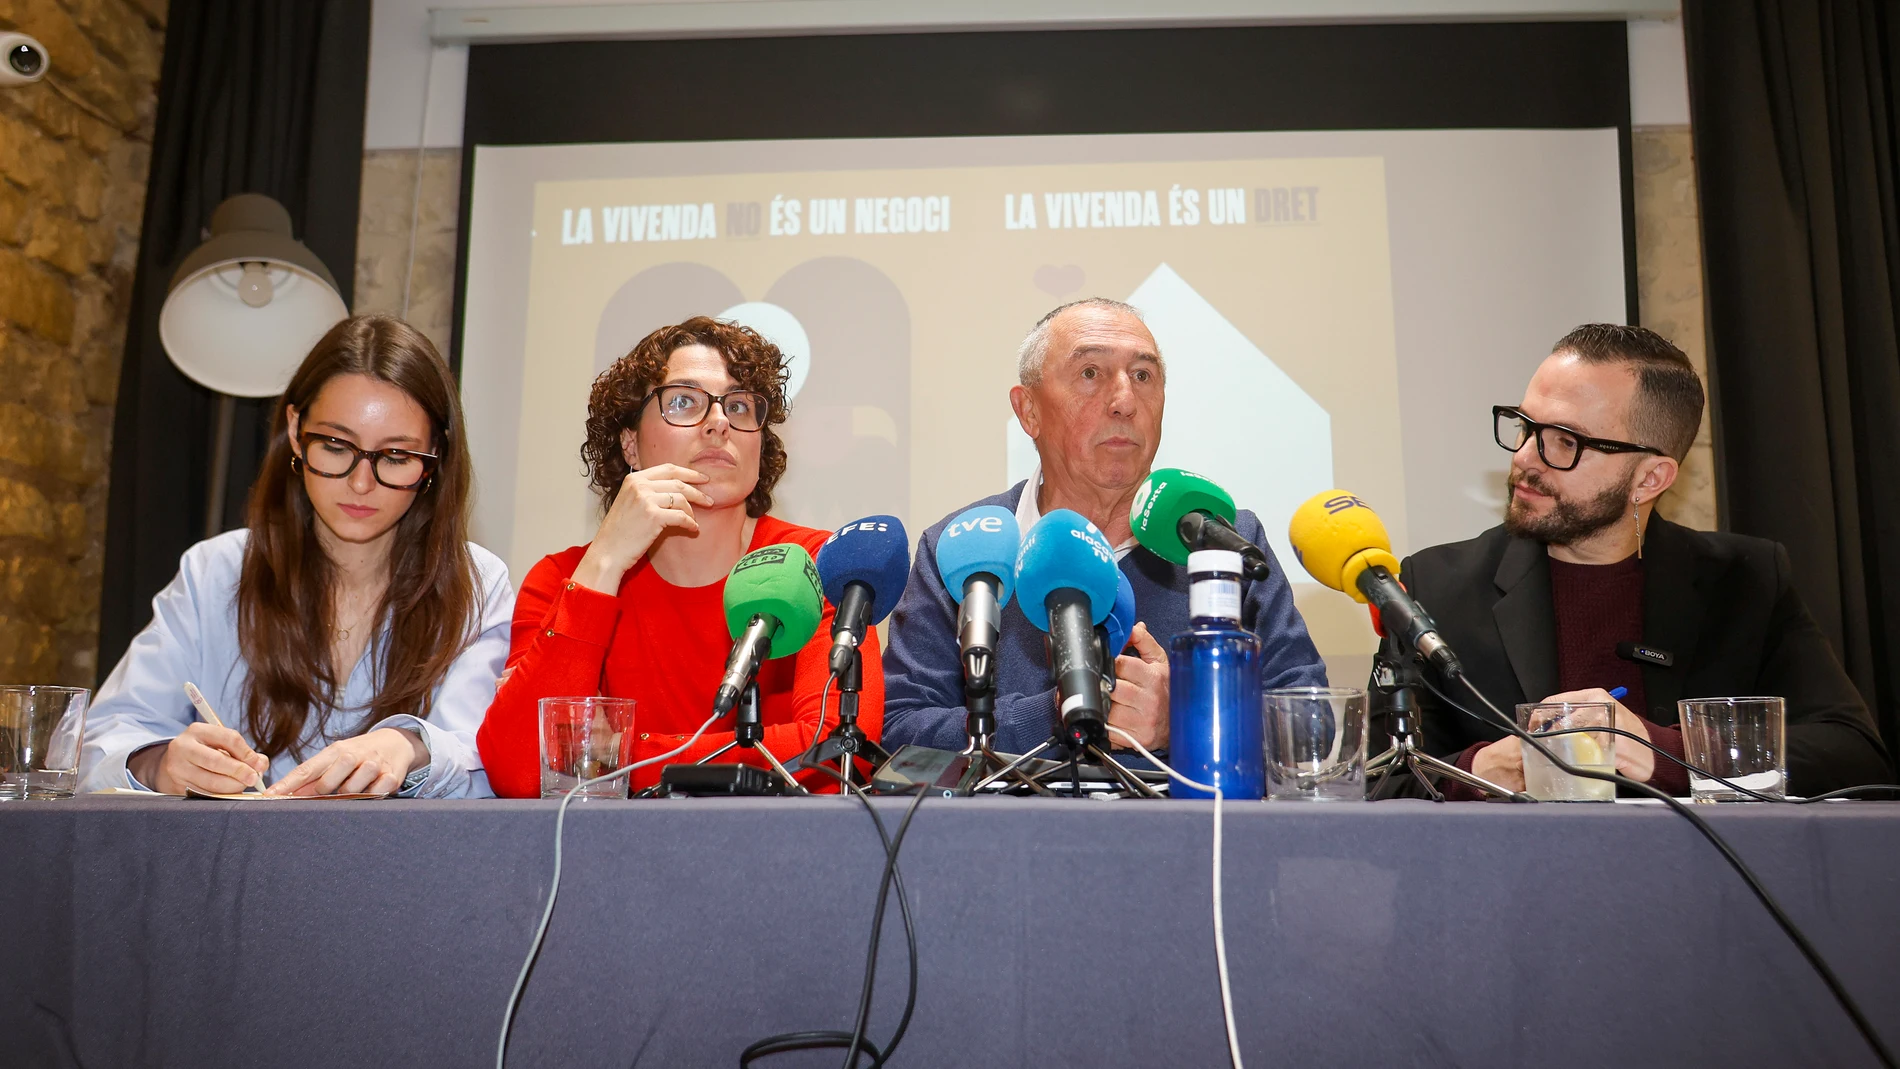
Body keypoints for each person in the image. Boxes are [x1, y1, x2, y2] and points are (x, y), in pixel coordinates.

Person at [1392, 324, 1889, 798]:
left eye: (1566, 441)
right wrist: (1476, 771)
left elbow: (1853, 752)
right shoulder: (1437, 585)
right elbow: (1373, 772)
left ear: (1650, 478)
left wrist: (1664, 753)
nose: (1525, 456)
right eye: (1524, 426)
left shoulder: (1745, 582)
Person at [80, 315, 514, 797]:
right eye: (334, 445)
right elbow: (101, 740)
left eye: (395, 456)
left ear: (436, 457)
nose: (360, 483)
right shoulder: (215, 572)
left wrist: (409, 747)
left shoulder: (477, 583)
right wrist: (158, 764)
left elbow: (487, 767)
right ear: (294, 429)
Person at [882, 298, 1328, 756]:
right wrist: (1056, 714)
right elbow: (900, 729)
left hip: (1187, 828)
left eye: (1143, 376)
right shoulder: (964, 549)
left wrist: (1188, 719)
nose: (1124, 402)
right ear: (1029, 410)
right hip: (1014, 827)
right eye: (1090, 373)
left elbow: (1312, 724)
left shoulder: (1223, 541)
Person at [476, 316, 883, 796]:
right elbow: (520, 771)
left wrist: (620, 756)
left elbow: (835, 748)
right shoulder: (563, 578)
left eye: (738, 406)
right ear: (630, 443)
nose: (718, 422)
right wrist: (604, 563)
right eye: (684, 402)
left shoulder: (818, 563)